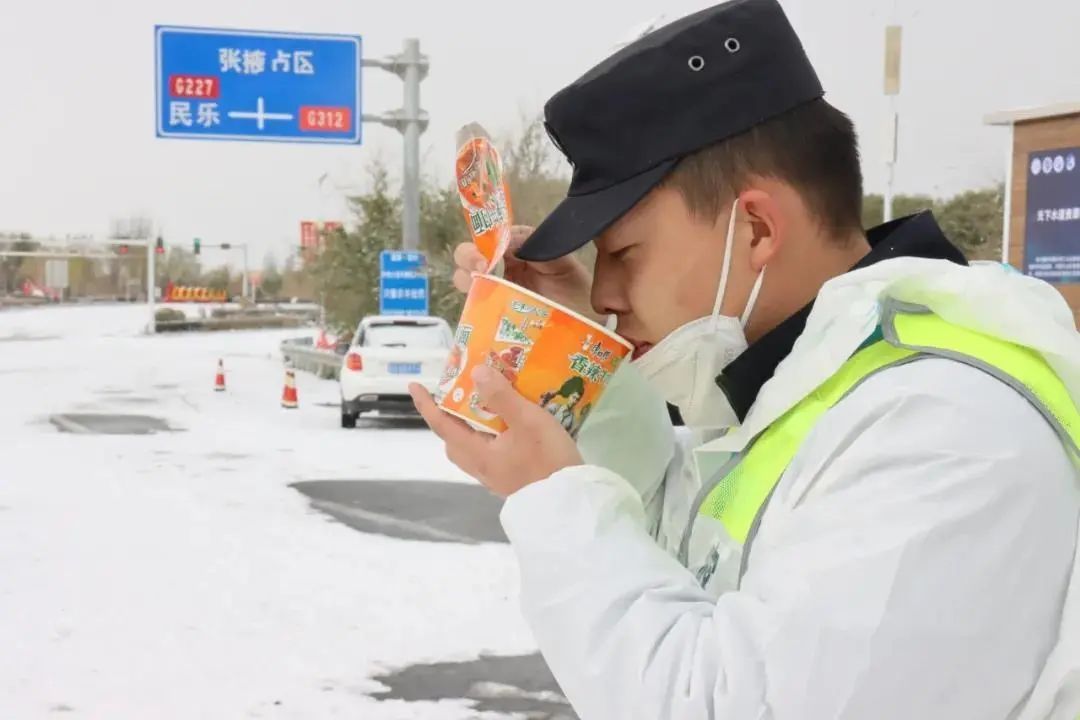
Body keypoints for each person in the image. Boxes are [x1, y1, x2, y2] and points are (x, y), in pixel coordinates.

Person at [410, 0, 1080, 717]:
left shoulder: (945, 428)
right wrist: (581, 368)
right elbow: (677, 542)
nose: (604, 294)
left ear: (756, 228)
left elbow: (726, 702)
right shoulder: (808, 389)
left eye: (624, 253)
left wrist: (555, 501)